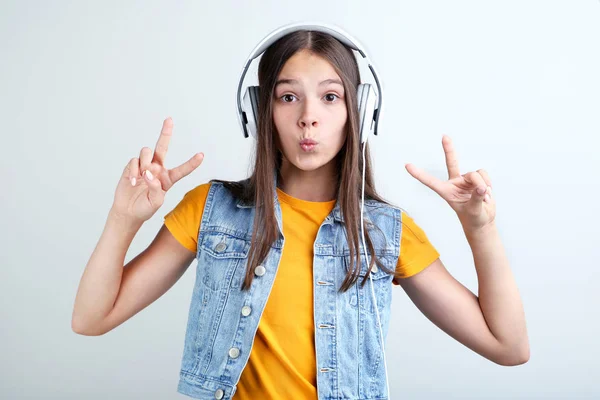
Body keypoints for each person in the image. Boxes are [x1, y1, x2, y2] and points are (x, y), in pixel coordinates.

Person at [72, 25, 529, 400]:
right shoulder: (211, 212)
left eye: (330, 97)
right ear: (259, 110)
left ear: (360, 111)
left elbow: (508, 346)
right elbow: (91, 319)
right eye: (288, 97)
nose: (308, 117)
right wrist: (123, 218)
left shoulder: (384, 233)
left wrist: (479, 228)